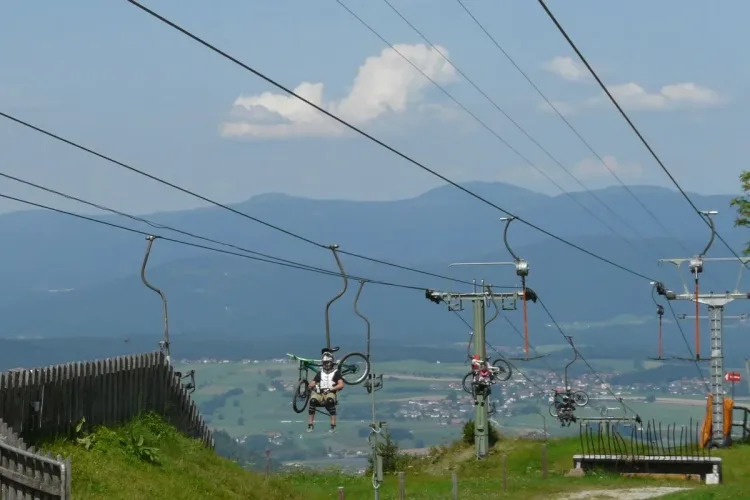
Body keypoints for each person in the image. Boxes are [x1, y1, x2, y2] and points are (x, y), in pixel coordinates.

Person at [307, 348, 344, 433]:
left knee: (330, 401)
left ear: (331, 363)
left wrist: (331, 389)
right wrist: (311, 385)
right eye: (325, 363)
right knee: (312, 401)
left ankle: (333, 425)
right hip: (320, 392)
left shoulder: (336, 372)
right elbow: (313, 382)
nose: (326, 365)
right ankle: (310, 424)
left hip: (330, 392)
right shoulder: (320, 373)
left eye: (328, 363)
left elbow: (341, 384)